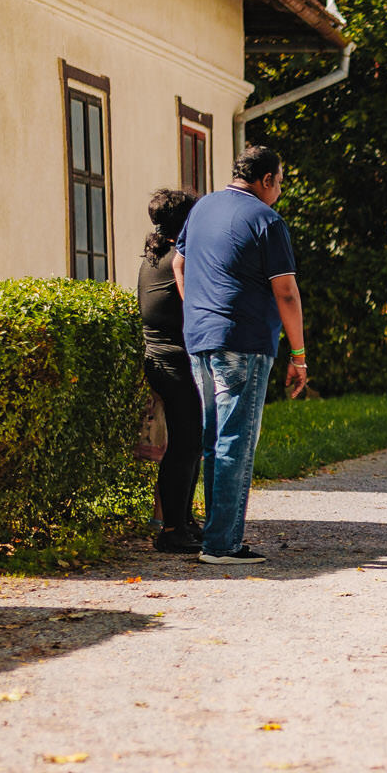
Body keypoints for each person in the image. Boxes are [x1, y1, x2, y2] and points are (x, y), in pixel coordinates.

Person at [174, 145, 308, 565]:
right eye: (279, 183)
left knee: (213, 438)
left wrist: (198, 310)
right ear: (265, 179)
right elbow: (286, 292)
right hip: (243, 340)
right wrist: (299, 356)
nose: (279, 192)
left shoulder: (201, 209)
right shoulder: (266, 220)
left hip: (200, 337)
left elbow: (178, 264)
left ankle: (215, 537)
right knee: (236, 438)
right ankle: (222, 545)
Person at [136, 188, 202, 554]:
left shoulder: (155, 255)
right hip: (172, 361)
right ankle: (172, 529)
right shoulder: (177, 258)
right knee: (185, 444)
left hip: (164, 359)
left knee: (189, 443)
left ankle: (184, 521)